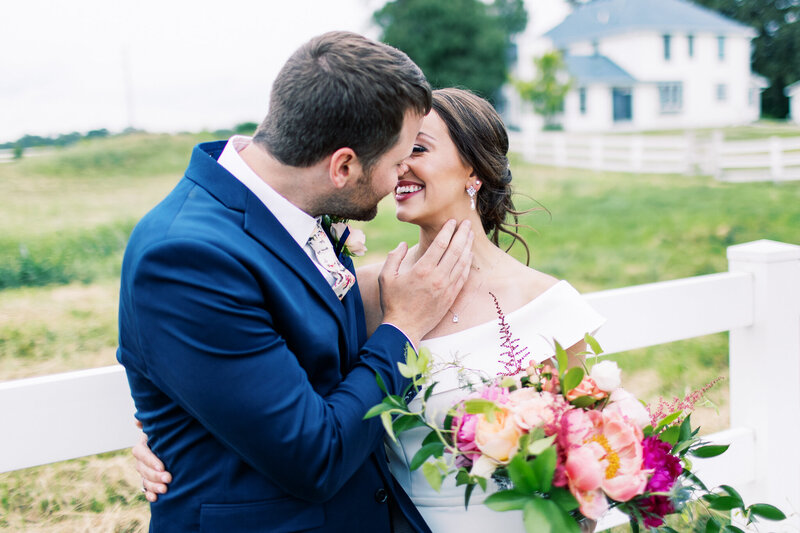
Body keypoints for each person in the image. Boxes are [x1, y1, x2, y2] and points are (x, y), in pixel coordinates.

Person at [136, 88, 604, 532]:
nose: (398, 168)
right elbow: (258, 389)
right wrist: (159, 437)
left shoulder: (547, 306)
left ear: (473, 170)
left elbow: (583, 459)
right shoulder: (361, 293)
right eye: (395, 154)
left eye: (416, 150)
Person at [118, 32, 475, 533]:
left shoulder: (298, 207)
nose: (401, 177)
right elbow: (314, 458)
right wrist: (403, 328)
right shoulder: (185, 257)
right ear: (343, 166)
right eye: (397, 162)